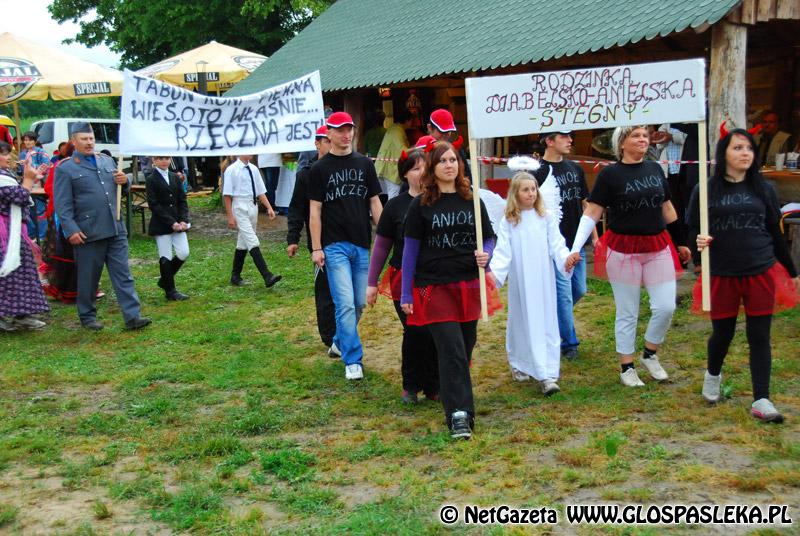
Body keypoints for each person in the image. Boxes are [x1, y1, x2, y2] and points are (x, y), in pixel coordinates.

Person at [688, 124, 799, 423]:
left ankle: (762, 398)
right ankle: (712, 376)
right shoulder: (705, 188)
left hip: (760, 270)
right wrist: (698, 244)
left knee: (759, 334)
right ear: (723, 153)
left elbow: (775, 235)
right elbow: (693, 229)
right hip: (722, 273)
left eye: (749, 148)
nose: (745, 153)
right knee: (722, 333)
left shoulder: (764, 188)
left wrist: (792, 271)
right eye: (738, 148)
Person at [569, 125, 691, 387]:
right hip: (623, 249)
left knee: (665, 306)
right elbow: (591, 213)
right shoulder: (610, 175)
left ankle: (650, 353)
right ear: (622, 143)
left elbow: (667, 207)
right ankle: (627, 366)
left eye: (645, 136)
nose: (643, 140)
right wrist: (576, 247)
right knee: (628, 311)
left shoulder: (655, 169)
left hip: (657, 245)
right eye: (636, 135)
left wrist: (681, 241)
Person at [400, 140, 501, 439]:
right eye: (443, 160)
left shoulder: (472, 200)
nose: (449, 165)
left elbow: (489, 238)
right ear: (432, 167)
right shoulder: (420, 206)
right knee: (452, 349)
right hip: (434, 286)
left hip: (468, 284)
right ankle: (459, 414)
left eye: (453, 160)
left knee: (465, 346)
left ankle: (453, 393)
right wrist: (406, 294)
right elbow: (409, 253)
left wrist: (487, 254)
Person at [490, 160, 580, 394]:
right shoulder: (510, 221)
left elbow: (557, 245)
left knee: (546, 322)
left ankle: (547, 373)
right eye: (525, 190)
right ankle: (520, 362)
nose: (531, 193)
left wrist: (565, 259)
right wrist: (494, 276)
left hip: (544, 280)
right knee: (522, 321)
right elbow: (503, 252)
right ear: (516, 194)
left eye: (533, 189)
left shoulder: (546, 217)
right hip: (522, 282)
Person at [54, 122, 151, 331]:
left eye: (91, 139)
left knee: (123, 273)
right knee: (89, 277)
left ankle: (132, 316)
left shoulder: (107, 161)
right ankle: (87, 316)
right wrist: (71, 229)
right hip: (88, 232)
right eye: (84, 139)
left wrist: (124, 181)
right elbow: (63, 205)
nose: (89, 143)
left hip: (115, 227)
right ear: (74, 141)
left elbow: (120, 190)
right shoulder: (66, 168)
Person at [309, 111, 383, 381]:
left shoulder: (365, 164)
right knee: (345, 304)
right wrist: (317, 248)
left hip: (361, 243)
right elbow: (314, 211)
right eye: (340, 129)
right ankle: (353, 360)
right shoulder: (319, 169)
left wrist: (386, 234)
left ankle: (340, 339)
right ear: (329, 133)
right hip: (334, 246)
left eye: (349, 128)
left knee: (359, 302)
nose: (346, 134)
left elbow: (375, 202)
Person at [367, 147, 439, 404]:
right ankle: (411, 385)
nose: (422, 173)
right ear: (405, 174)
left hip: (434, 278)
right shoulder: (396, 206)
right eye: (416, 168)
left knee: (434, 332)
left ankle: (433, 385)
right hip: (403, 279)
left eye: (425, 167)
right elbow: (382, 247)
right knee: (414, 331)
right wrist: (371, 283)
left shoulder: (438, 200)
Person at [534, 130, 596, 360]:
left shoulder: (575, 169)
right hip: (554, 244)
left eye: (571, 136)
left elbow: (587, 205)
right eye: (564, 136)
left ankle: (551, 321)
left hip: (576, 240)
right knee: (564, 295)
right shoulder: (537, 172)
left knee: (578, 289)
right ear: (549, 141)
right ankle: (569, 343)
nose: (570, 141)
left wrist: (594, 236)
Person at [287, 125, 337, 353]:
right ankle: (329, 335)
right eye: (326, 140)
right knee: (325, 289)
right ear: (317, 144)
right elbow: (297, 207)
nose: (331, 143)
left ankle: (344, 331)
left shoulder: (343, 169)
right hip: (320, 242)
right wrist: (293, 237)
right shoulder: (306, 175)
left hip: (344, 238)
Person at [0, 145, 49, 331]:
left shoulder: (5, 175)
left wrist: (31, 178)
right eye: (3, 154)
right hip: (4, 235)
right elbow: (19, 197)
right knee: (6, 275)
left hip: (14, 233)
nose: (8, 157)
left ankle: (23, 314)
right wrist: (28, 180)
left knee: (21, 272)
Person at [223, 154, 281, 288]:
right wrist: (230, 216)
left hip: (252, 204)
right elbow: (227, 195)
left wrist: (269, 207)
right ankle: (267, 275)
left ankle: (235, 275)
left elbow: (260, 191)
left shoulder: (254, 169)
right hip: (239, 205)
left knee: (243, 242)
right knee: (251, 240)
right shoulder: (231, 170)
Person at [146, 156, 190, 301]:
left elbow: (182, 200)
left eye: (166, 158)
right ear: (155, 160)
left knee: (184, 252)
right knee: (165, 256)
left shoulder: (175, 177)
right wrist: (171, 222)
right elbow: (154, 204)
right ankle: (170, 291)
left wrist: (183, 219)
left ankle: (164, 279)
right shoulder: (151, 179)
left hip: (178, 222)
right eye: (161, 158)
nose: (164, 161)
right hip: (162, 223)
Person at [18, 131, 50, 240]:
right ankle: (32, 235)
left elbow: (45, 167)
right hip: (27, 185)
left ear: (35, 141)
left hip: (39, 186)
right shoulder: (22, 153)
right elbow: (22, 171)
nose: (27, 142)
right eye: (25, 140)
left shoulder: (40, 152)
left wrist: (32, 167)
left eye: (30, 140)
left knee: (40, 210)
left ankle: (42, 236)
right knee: (28, 210)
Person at [375, 109, 412, 199]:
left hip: (389, 167)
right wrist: (416, 151)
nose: (411, 123)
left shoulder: (395, 129)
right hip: (390, 169)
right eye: (411, 121)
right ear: (406, 120)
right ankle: (390, 213)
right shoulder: (396, 131)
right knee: (393, 195)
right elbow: (402, 149)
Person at [427, 109, 471, 179]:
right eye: (441, 131)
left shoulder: (457, 150)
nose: (445, 135)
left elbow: (467, 177)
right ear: (429, 128)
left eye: (448, 131)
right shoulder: (422, 151)